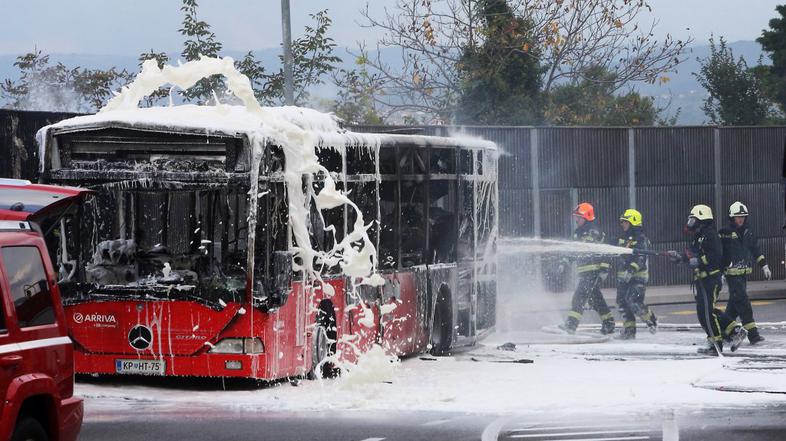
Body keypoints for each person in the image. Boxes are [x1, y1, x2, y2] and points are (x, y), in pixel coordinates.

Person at [668, 204, 747, 355]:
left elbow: (714, 256)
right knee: (705, 311)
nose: (690, 222)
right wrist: (679, 257)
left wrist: (699, 260)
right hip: (703, 280)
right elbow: (691, 254)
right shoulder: (698, 236)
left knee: (706, 313)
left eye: (693, 219)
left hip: (710, 279)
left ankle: (715, 345)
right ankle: (736, 330)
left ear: (701, 219)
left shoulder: (710, 235)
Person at [719, 201, 771, 345]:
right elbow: (720, 253)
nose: (740, 219)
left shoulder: (749, 231)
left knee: (734, 306)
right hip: (731, 274)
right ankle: (753, 335)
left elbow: (755, 250)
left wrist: (764, 265)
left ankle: (723, 332)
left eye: (743, 216)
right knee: (743, 303)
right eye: (737, 216)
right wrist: (721, 272)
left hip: (742, 274)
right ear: (731, 218)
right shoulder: (725, 232)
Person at [559, 202, 615, 335]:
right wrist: (564, 261)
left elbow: (606, 252)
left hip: (593, 272)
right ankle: (609, 323)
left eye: (579, 217)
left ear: (587, 217)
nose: (576, 220)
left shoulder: (596, 232)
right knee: (595, 299)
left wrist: (604, 269)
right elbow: (572, 251)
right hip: (584, 273)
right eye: (576, 217)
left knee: (579, 297)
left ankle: (571, 325)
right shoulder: (577, 234)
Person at [614, 209, 657, 339]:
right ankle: (629, 331)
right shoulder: (623, 238)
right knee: (622, 302)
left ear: (633, 222)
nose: (623, 224)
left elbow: (641, 258)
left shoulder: (641, 239)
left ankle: (651, 319)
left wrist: (631, 270)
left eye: (625, 222)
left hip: (637, 278)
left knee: (633, 301)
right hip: (623, 278)